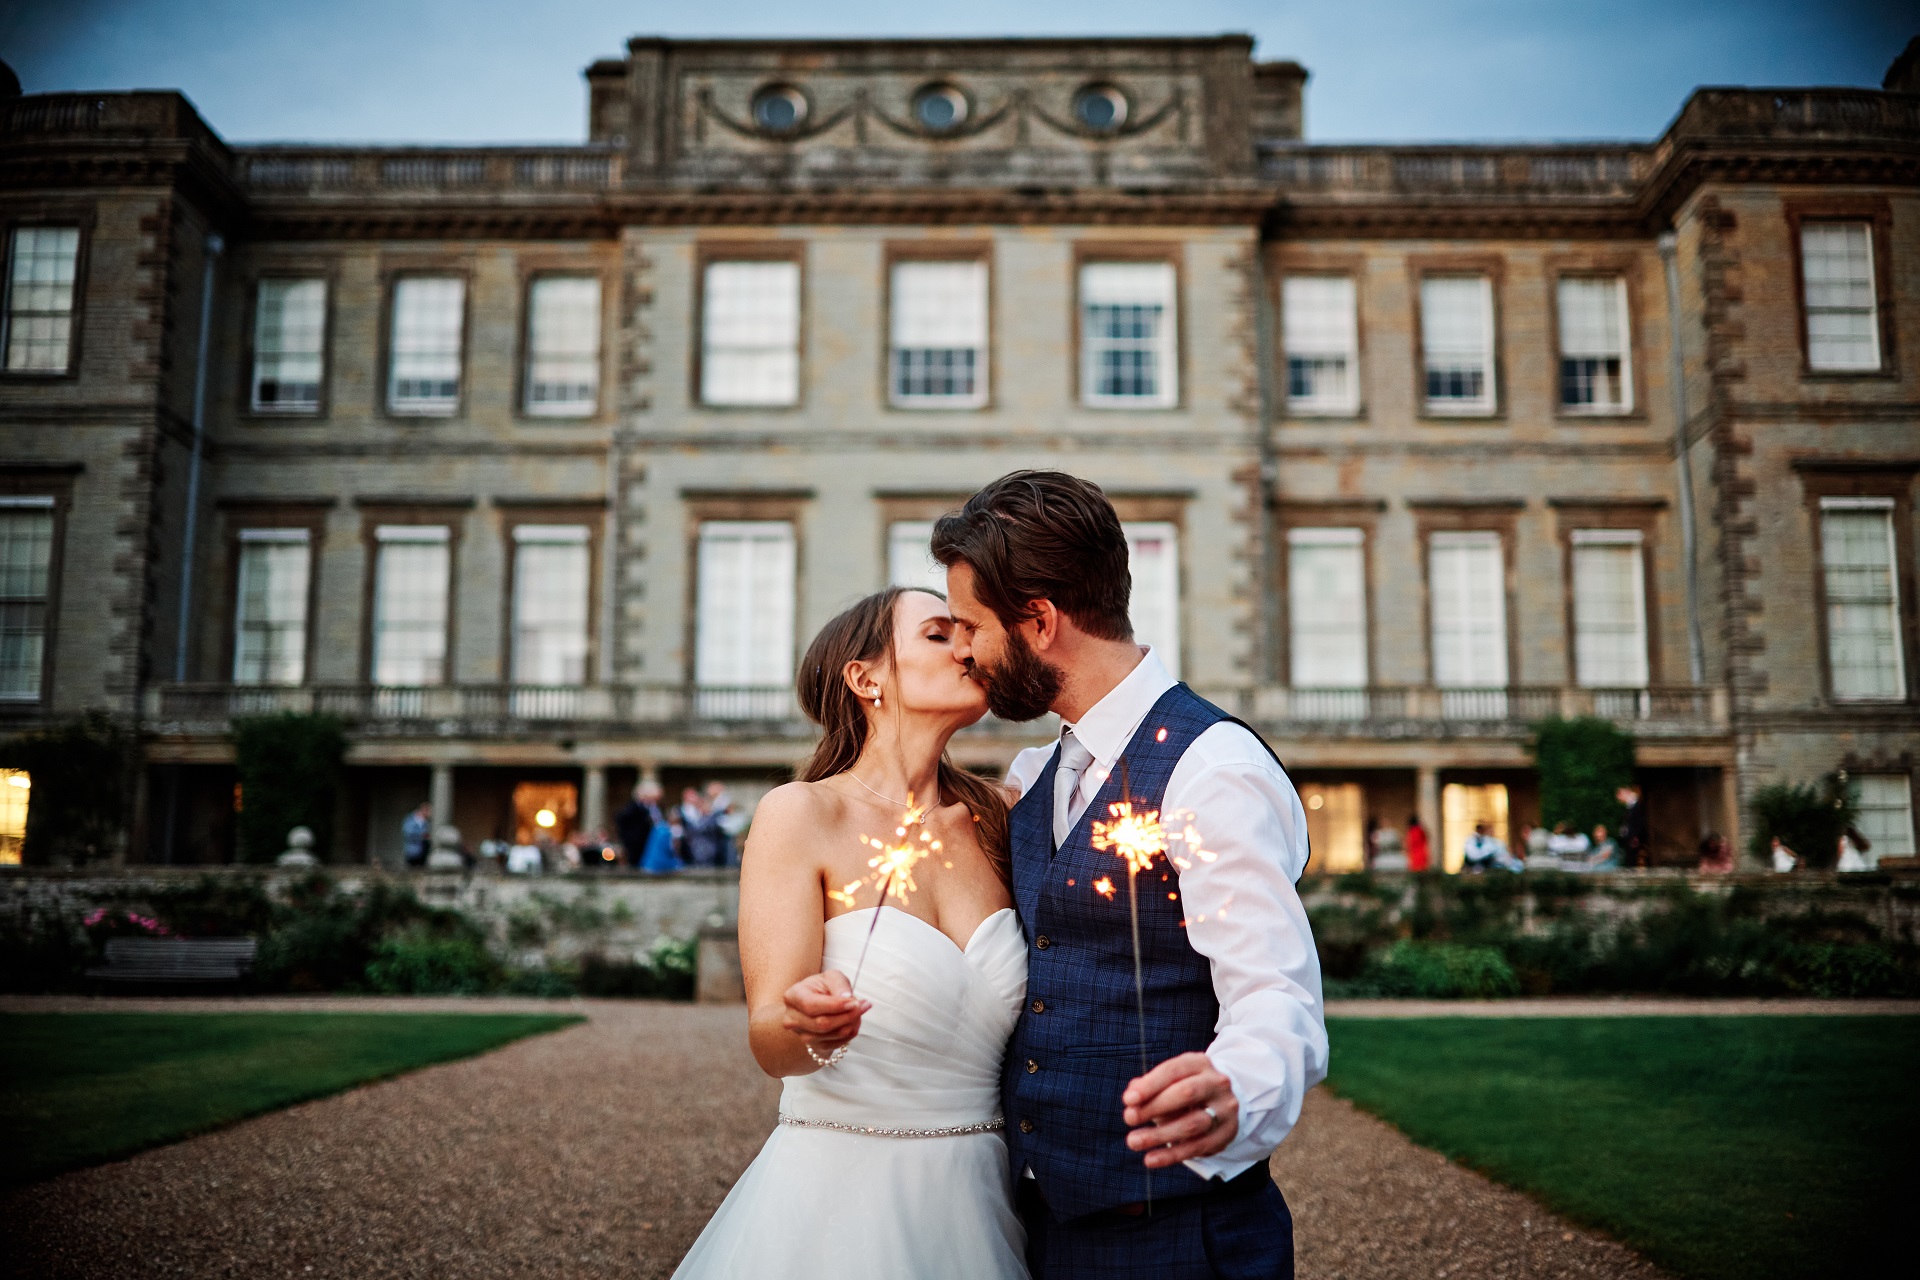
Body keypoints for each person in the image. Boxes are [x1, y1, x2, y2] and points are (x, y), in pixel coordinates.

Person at [936, 471, 1323, 1277]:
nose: (965, 649)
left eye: (972, 625)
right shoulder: (1037, 768)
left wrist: (1236, 1085)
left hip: (1180, 1241)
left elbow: (1277, 994)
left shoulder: (1211, 768)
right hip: (1040, 1229)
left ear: (1039, 620)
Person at [672, 586, 1024, 1278]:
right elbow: (772, 1040)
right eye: (936, 634)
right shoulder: (801, 814)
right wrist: (810, 1026)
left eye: (968, 632)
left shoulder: (1004, 817)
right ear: (865, 678)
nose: (968, 647)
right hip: (835, 1196)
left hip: (986, 1192)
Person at [615, 784, 656, 867]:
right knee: (634, 862)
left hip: (644, 841)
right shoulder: (632, 807)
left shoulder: (646, 807)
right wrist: (627, 837)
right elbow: (621, 819)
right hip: (635, 842)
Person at [1617, 784, 1649, 869]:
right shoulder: (1630, 806)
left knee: (1634, 860)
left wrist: (1636, 837)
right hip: (1629, 838)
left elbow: (1639, 823)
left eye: (1620, 794)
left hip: (1634, 839)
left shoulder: (1637, 805)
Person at [401, 801, 432, 869]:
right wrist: (422, 836)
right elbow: (408, 833)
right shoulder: (410, 820)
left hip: (423, 852)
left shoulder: (426, 822)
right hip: (413, 851)